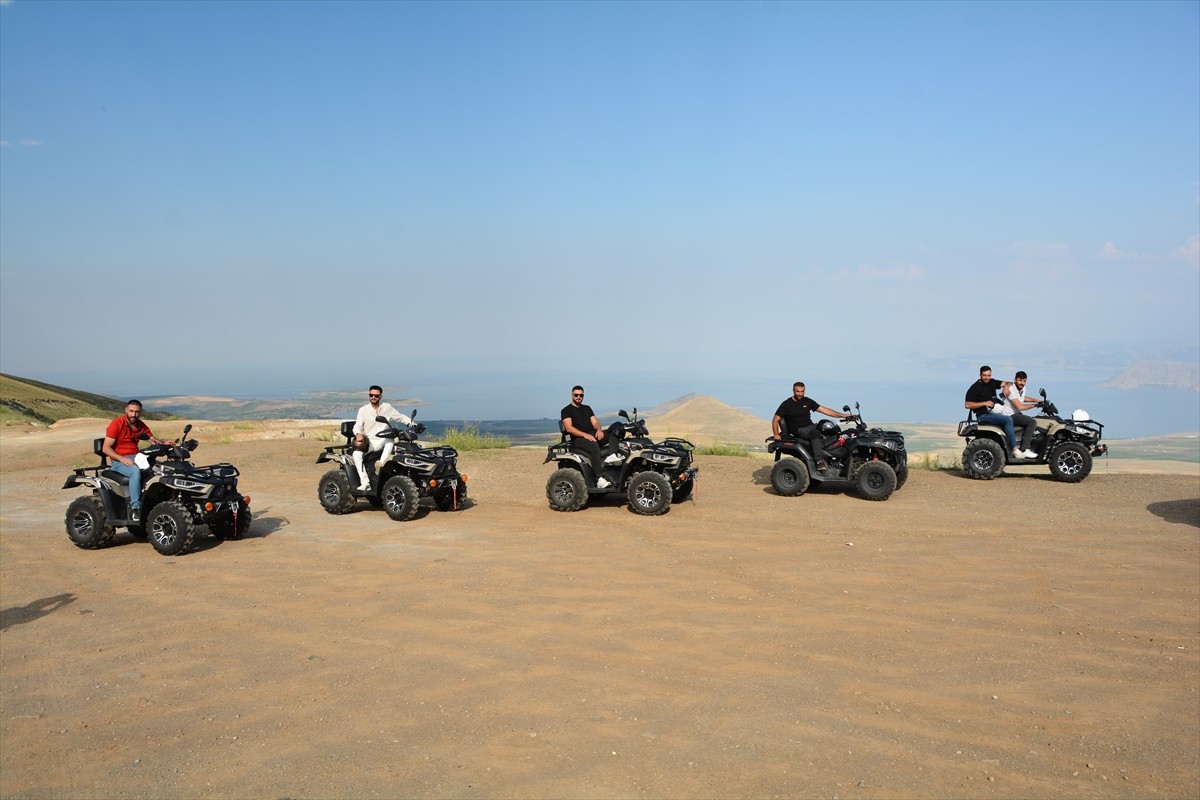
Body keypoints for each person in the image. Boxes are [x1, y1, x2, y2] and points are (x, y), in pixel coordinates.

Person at [101, 399, 169, 522]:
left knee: (160, 468)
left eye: (137, 412)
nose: (134, 414)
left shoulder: (140, 425)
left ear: (140, 412)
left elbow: (151, 439)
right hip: (118, 461)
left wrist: (165, 444)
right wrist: (122, 459)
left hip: (137, 457)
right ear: (126, 410)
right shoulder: (117, 424)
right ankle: (135, 508)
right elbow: (106, 448)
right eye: (131, 411)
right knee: (134, 472)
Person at [771, 382, 851, 472]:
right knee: (815, 433)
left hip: (810, 426)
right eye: (798, 391)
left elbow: (825, 410)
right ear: (793, 390)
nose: (800, 394)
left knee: (830, 429)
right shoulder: (787, 404)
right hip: (799, 429)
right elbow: (775, 419)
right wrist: (776, 434)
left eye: (802, 391)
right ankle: (819, 461)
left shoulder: (807, 401)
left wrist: (843, 415)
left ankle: (836, 458)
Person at [352, 385, 411, 491]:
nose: (373, 397)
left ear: (381, 396)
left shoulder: (387, 408)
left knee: (390, 439)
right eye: (371, 395)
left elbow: (400, 417)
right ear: (369, 395)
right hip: (369, 442)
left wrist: (412, 424)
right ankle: (365, 482)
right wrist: (358, 434)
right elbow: (357, 426)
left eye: (376, 395)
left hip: (383, 441)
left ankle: (382, 464)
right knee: (356, 454)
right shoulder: (363, 410)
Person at [963, 365, 1022, 459]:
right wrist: (985, 403)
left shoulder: (992, 382)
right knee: (1008, 420)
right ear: (980, 375)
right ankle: (1014, 449)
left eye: (989, 375)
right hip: (983, 415)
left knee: (1016, 417)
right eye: (984, 375)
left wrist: (1006, 387)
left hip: (995, 413)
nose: (987, 377)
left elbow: (1010, 383)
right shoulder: (975, 388)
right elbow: (967, 405)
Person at [560, 385, 612, 488]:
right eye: (576, 395)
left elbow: (595, 421)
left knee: (614, 433)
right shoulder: (566, 410)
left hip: (592, 435)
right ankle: (599, 478)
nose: (578, 397)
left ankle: (613, 457)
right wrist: (585, 435)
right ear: (571, 395)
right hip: (578, 439)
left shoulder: (587, 408)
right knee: (594, 447)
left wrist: (599, 430)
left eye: (581, 395)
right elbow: (569, 428)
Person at [993, 370, 1041, 458]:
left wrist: (1037, 400)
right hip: (1009, 415)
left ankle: (1024, 444)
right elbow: (1020, 406)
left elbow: (1022, 398)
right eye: (1020, 380)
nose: (1022, 383)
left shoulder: (1023, 389)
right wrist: (1035, 405)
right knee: (1032, 422)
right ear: (1015, 379)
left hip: (1016, 414)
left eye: (1024, 381)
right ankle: (1025, 449)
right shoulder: (1011, 389)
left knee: (1033, 420)